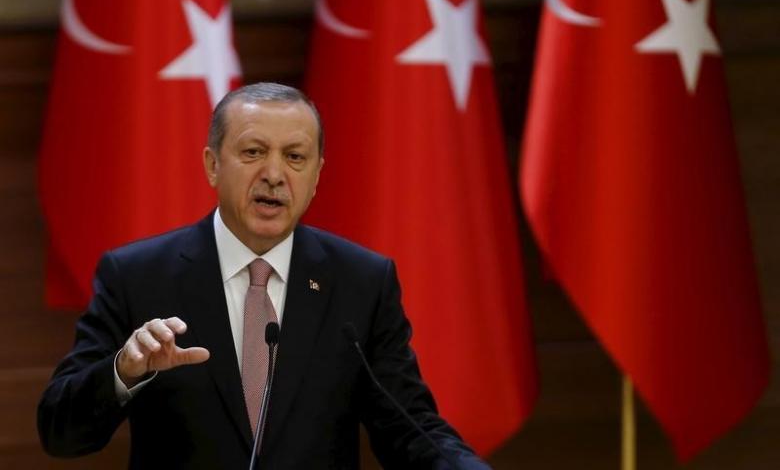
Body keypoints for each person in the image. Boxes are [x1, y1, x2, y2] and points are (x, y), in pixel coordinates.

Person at [37, 82, 491, 469]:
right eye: (253, 152)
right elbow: (61, 433)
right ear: (213, 164)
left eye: (295, 157)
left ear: (317, 177)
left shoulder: (360, 282)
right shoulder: (137, 276)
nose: (274, 175)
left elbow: (408, 426)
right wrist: (124, 371)